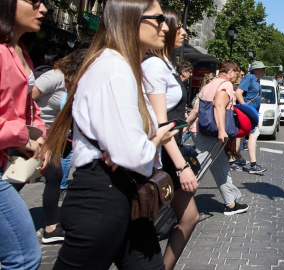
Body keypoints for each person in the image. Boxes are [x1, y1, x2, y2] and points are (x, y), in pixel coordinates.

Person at [40, 0, 176, 268]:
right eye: (158, 18)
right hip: (101, 196)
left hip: (124, 194)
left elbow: (128, 148)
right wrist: (156, 140)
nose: (165, 26)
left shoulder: (121, 66)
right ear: (131, 19)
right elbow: (133, 153)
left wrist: (138, 145)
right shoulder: (115, 68)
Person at [141, 6, 199, 270]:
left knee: (189, 217)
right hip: (162, 155)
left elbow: (171, 119)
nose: (184, 32)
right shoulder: (154, 65)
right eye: (179, 26)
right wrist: (182, 166)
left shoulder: (166, 64)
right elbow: (160, 123)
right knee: (144, 223)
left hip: (169, 151)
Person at [0, 0, 47, 268]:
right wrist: (22, 137)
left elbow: (29, 108)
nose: (43, 10)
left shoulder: (20, 50)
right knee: (23, 257)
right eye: (34, 1)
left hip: (7, 162)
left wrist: (38, 134)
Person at [32, 49, 88, 244]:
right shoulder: (54, 77)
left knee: (54, 176)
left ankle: (50, 227)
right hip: (34, 135)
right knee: (20, 177)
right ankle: (48, 227)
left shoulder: (72, 84)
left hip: (52, 138)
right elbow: (26, 98)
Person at [195, 60, 249, 215]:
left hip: (202, 129)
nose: (235, 78)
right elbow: (219, 105)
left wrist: (188, 124)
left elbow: (197, 107)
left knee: (222, 168)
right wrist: (221, 130)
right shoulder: (226, 85)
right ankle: (176, 207)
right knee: (197, 171)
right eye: (236, 74)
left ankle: (230, 203)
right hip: (211, 133)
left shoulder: (211, 83)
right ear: (230, 71)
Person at [235, 61, 267, 174]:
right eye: (262, 69)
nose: (264, 71)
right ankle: (253, 164)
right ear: (257, 70)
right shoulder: (249, 77)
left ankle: (233, 159)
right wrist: (245, 108)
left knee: (242, 135)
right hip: (247, 112)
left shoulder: (256, 80)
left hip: (251, 112)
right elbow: (238, 92)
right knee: (252, 135)